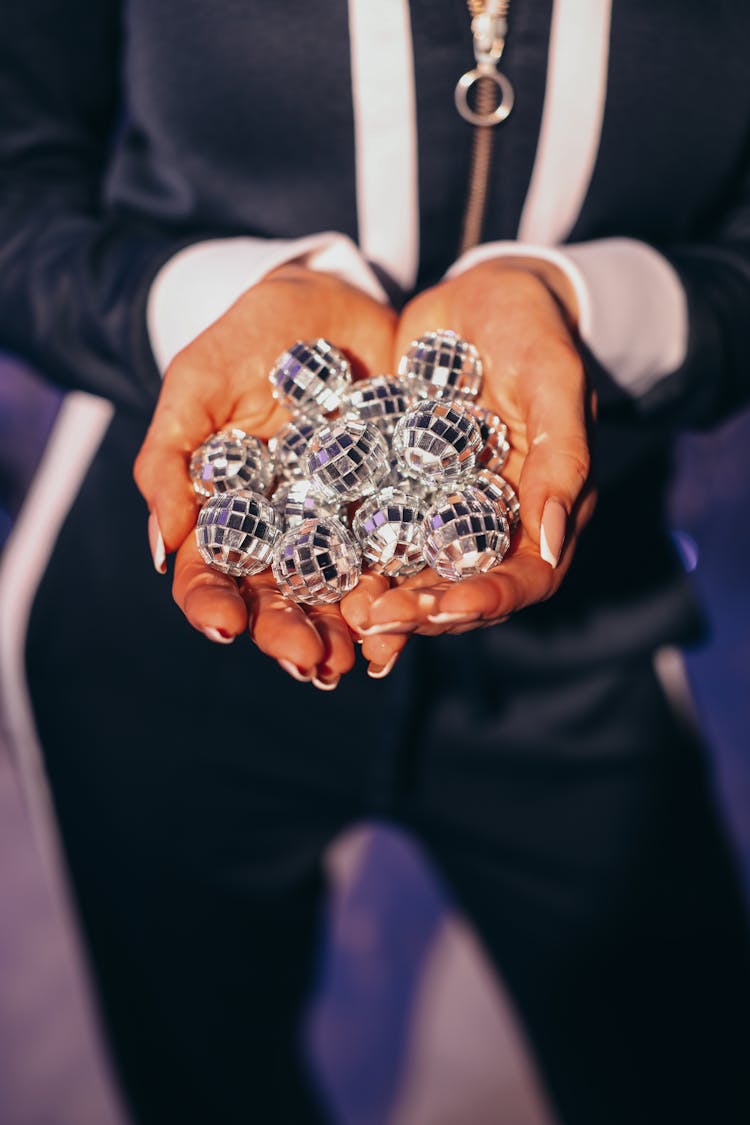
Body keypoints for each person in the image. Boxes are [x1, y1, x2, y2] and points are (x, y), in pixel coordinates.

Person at [1, 2, 749, 1122]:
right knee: (205, 1080)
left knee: (684, 1066)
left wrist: (593, 309)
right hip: (156, 632)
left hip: (586, 616)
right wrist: (208, 309)